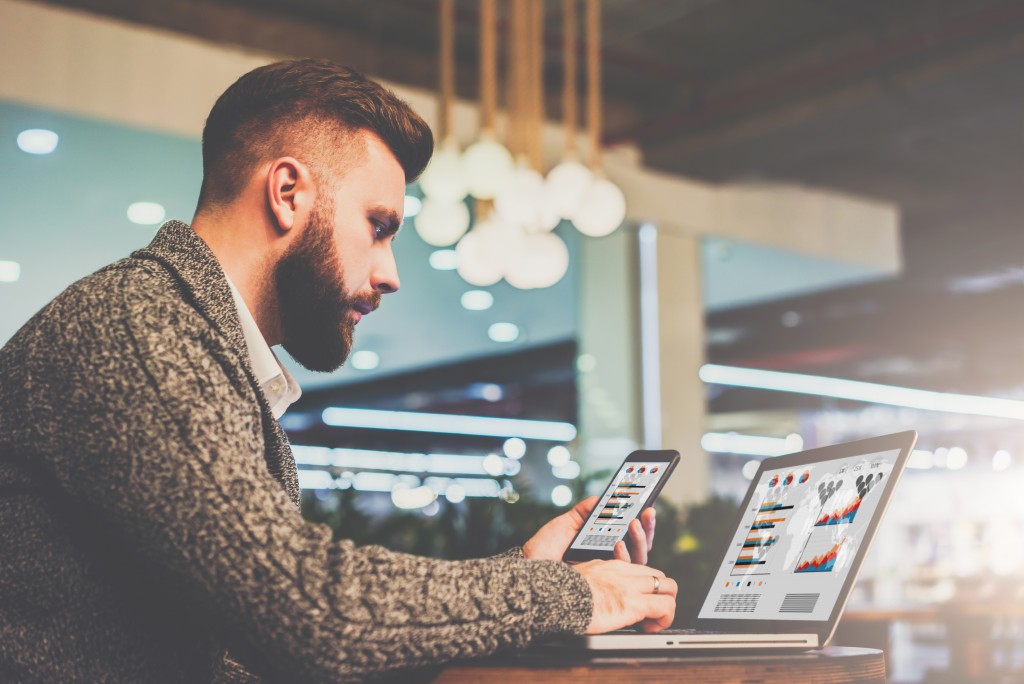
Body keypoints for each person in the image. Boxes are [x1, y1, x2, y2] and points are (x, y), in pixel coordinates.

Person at [0, 58, 676, 683]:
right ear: (288, 192)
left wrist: (522, 572)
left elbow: (246, 642)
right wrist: (566, 593)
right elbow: (306, 610)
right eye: (379, 226)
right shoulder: (135, 325)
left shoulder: (191, 342)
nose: (390, 275)